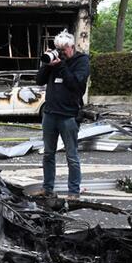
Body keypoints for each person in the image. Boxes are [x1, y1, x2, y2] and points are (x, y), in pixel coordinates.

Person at [35, 29, 90, 201]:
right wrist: (47, 65)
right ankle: (47, 189)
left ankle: (73, 191)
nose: (61, 53)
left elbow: (76, 85)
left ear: (72, 47)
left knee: (71, 156)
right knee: (48, 154)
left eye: (63, 49)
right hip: (50, 114)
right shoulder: (55, 61)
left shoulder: (82, 61)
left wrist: (61, 65)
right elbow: (39, 81)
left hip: (68, 116)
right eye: (58, 49)